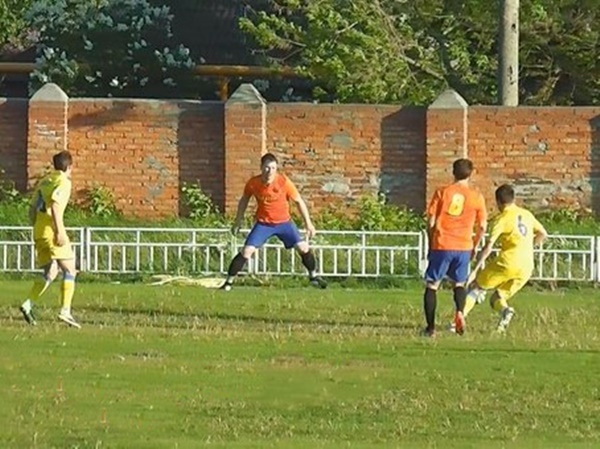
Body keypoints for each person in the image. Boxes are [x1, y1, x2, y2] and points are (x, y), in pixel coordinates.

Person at [220, 152, 327, 291]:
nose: (270, 171)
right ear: (261, 167)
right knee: (246, 251)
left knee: (303, 248)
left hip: (284, 223)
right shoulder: (253, 183)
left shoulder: (283, 182)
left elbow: (298, 201)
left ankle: (313, 277)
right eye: (267, 167)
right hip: (263, 224)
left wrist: (308, 224)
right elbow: (244, 200)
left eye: (273, 168)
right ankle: (228, 283)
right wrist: (238, 221)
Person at [462, 184, 547, 332]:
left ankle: (456, 322)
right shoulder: (526, 214)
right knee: (497, 297)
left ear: (498, 202)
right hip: (527, 265)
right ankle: (505, 311)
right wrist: (529, 246)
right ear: (513, 199)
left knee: (476, 287)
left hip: (508, 262)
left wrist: (475, 270)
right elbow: (543, 234)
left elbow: (488, 247)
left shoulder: (502, 219)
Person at [422, 158, 487, 337]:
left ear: (453, 172)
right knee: (459, 283)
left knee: (432, 285)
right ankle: (459, 311)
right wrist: (475, 245)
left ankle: (430, 328)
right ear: (471, 174)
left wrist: (431, 240)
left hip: (442, 243)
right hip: (464, 245)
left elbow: (431, 221)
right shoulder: (476, 196)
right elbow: (482, 226)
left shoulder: (442, 192)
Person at [19, 150, 80, 328]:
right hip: (52, 231)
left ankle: (28, 304)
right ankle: (65, 311)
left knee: (50, 272)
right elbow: (55, 206)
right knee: (70, 269)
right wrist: (59, 231)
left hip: (39, 230)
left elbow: (32, 208)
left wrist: (36, 226)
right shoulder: (63, 182)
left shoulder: (44, 181)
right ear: (69, 166)